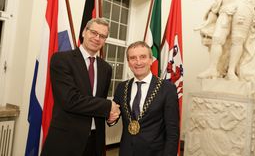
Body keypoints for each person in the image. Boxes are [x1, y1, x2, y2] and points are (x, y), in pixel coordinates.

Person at [41, 18, 120, 156]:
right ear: (84, 32)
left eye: (102, 36)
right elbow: (70, 100)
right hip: (66, 141)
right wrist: (108, 106)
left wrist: (110, 116)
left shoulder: (106, 68)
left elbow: (98, 101)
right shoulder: (61, 60)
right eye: (94, 32)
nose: (97, 38)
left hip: (95, 142)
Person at [112, 41, 180, 156]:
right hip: (126, 151)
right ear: (128, 63)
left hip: (155, 153)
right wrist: (111, 119)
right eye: (133, 58)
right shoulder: (121, 87)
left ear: (151, 60)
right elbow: (114, 116)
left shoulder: (167, 88)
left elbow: (172, 131)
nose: (138, 62)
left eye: (143, 57)